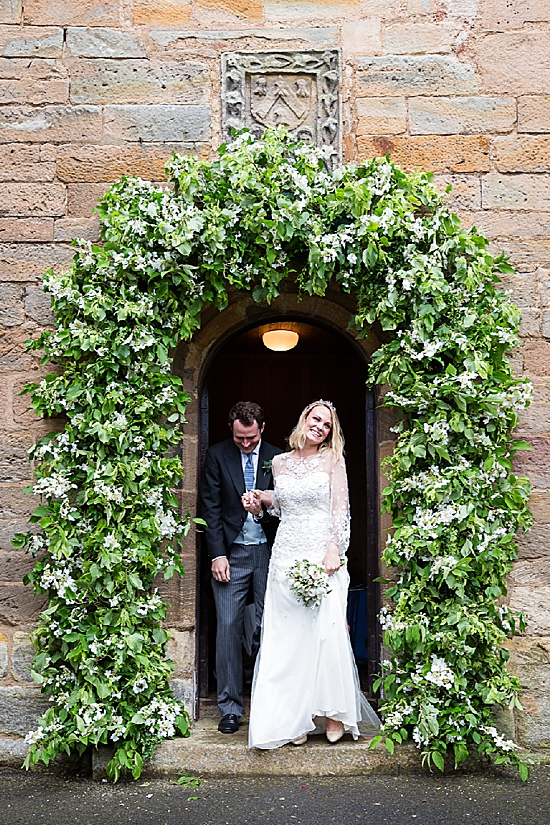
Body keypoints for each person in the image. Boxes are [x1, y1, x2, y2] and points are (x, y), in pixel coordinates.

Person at [243, 400, 380, 748]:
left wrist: (335, 548)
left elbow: (341, 510)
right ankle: (295, 715)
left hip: (322, 552)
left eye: (327, 425)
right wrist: (260, 502)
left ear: (330, 433)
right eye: (316, 419)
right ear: (304, 419)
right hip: (286, 554)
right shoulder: (279, 462)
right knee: (288, 635)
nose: (320, 426)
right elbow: (284, 506)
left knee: (326, 630)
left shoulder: (332, 461)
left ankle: (334, 713)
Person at [200, 401, 280, 735]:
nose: (245, 444)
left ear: (262, 428)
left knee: (272, 625)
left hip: (269, 551)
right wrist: (217, 554)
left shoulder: (279, 458)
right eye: (239, 439)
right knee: (229, 627)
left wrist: (264, 504)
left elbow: (289, 505)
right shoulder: (217, 455)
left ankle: (269, 703)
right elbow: (210, 506)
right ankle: (230, 707)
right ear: (231, 430)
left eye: (250, 438)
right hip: (230, 554)